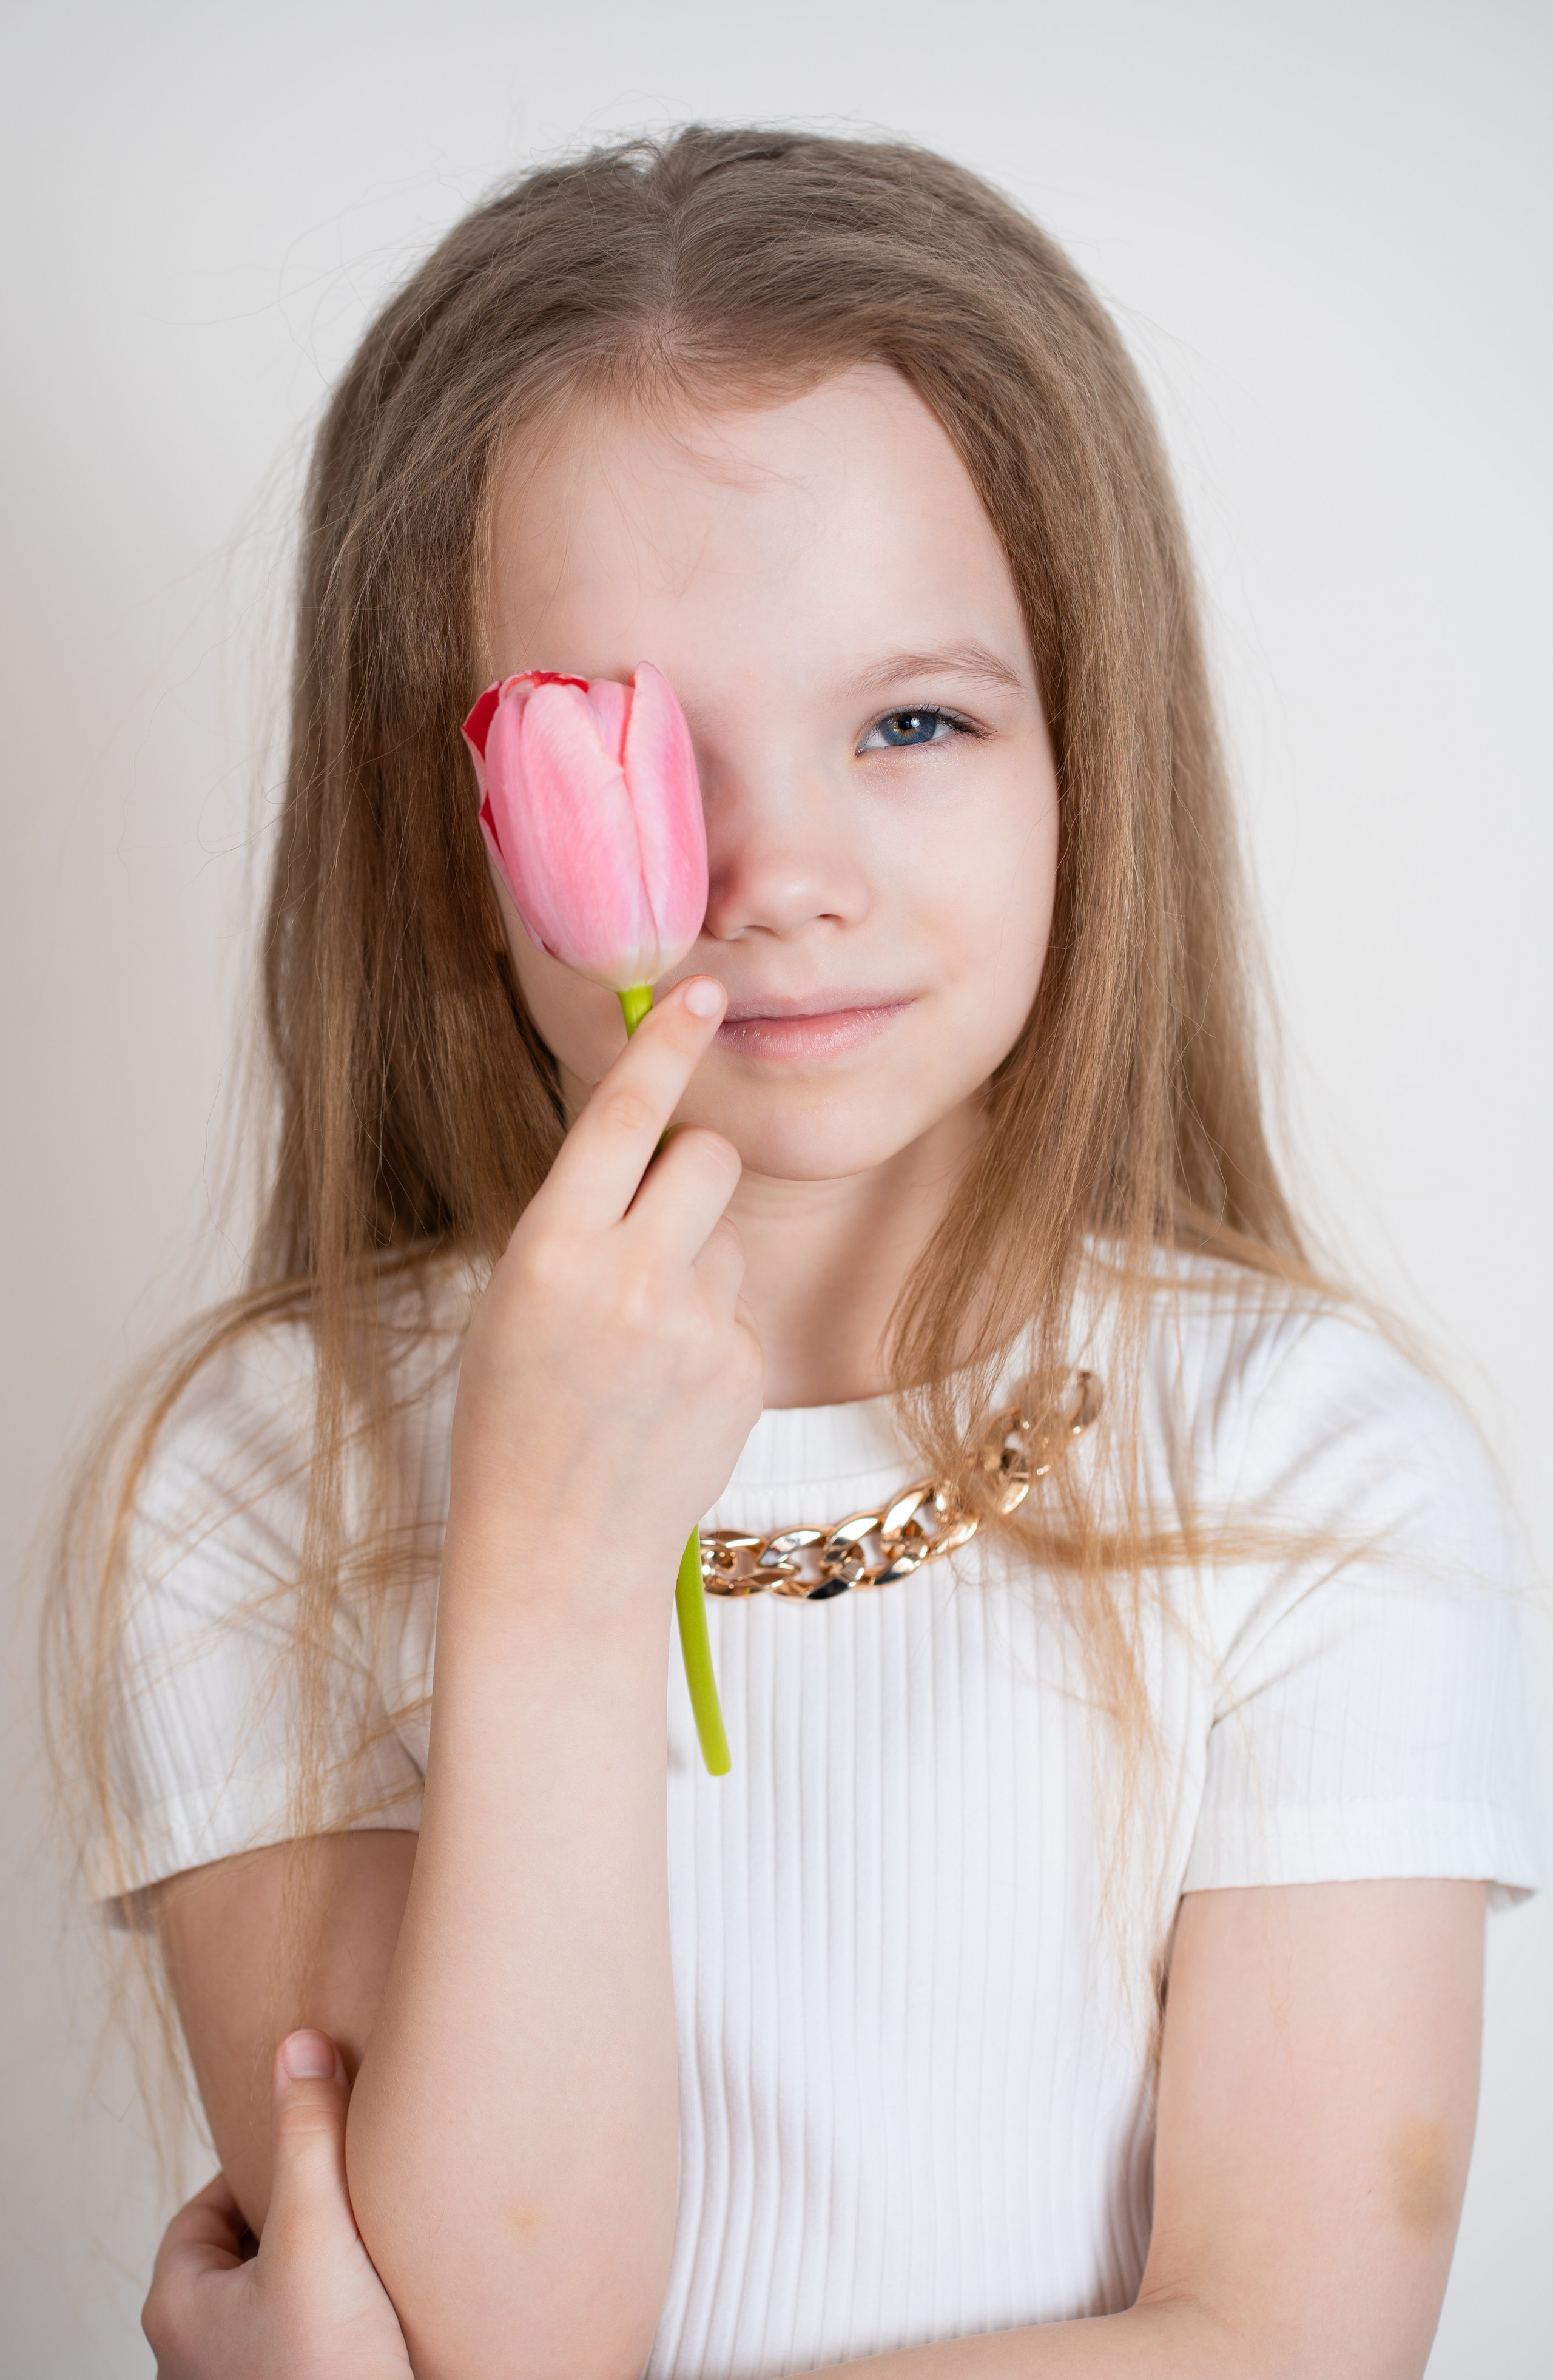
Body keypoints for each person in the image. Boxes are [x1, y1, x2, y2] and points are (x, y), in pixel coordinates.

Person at [53, 126, 1534, 2380]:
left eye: (913, 720)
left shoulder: (1314, 1467)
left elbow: (1291, 2342)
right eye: (637, 747)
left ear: (1085, 755)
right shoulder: (274, 1478)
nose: (783, 870)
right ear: (452, 822)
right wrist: (548, 1563)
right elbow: (492, 2330)